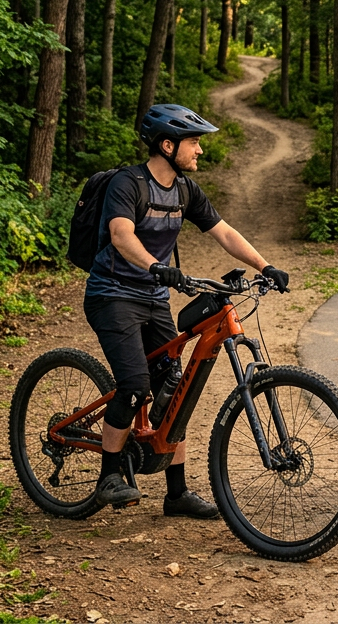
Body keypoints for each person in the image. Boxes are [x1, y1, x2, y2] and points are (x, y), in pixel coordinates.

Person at [88, 104, 290, 516]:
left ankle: (176, 494)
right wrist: (156, 267)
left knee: (176, 387)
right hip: (113, 295)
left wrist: (265, 266)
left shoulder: (184, 190)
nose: (199, 150)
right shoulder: (128, 184)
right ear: (167, 145)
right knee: (135, 385)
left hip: (153, 298)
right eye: (194, 142)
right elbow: (121, 234)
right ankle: (109, 476)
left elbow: (224, 232)